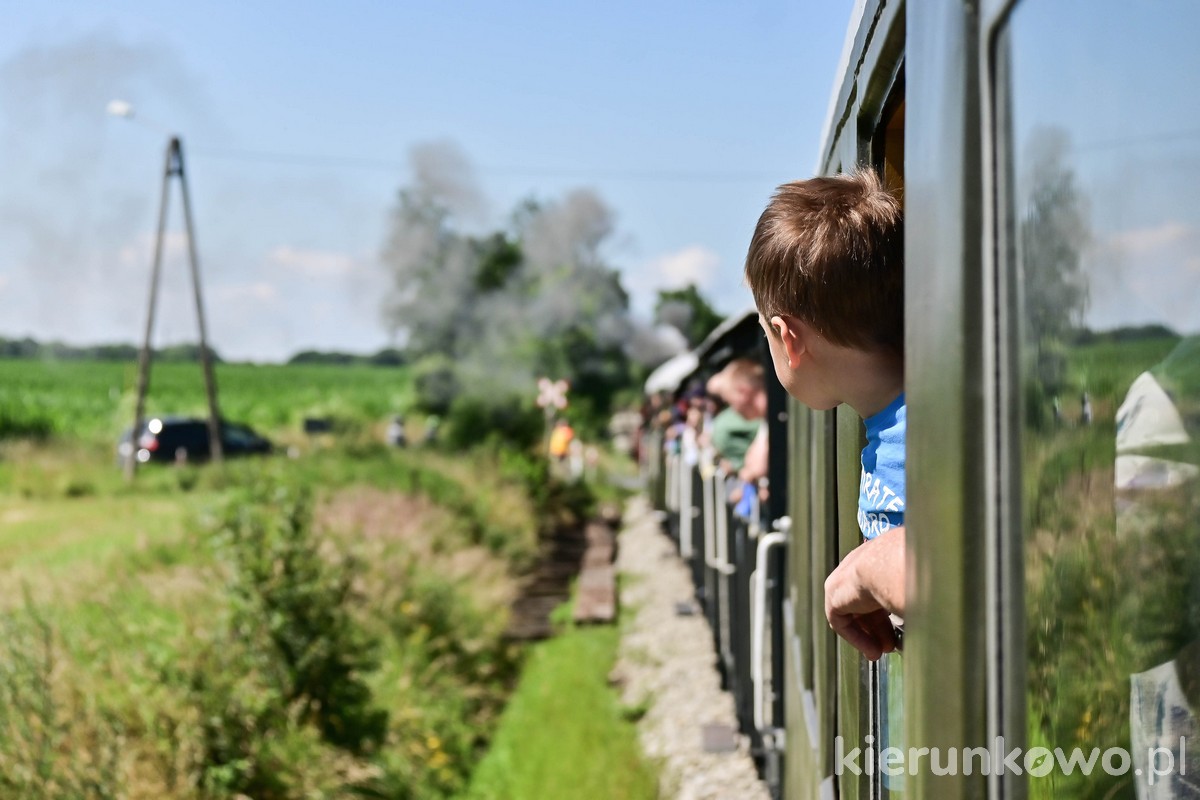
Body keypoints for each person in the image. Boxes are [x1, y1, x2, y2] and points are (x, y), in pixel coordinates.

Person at [744, 168, 905, 661]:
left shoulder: (925, 433)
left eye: (765, 336)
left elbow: (967, 572)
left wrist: (860, 574)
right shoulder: (894, 425)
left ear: (788, 338)